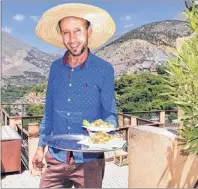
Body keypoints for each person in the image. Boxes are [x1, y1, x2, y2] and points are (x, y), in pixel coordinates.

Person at [32, 3, 117, 188]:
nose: (72, 39)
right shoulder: (55, 68)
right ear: (61, 35)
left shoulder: (103, 69)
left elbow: (110, 115)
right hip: (56, 157)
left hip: (90, 162)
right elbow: (49, 111)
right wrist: (40, 148)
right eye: (66, 32)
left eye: (77, 31)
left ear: (89, 31)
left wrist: (105, 132)